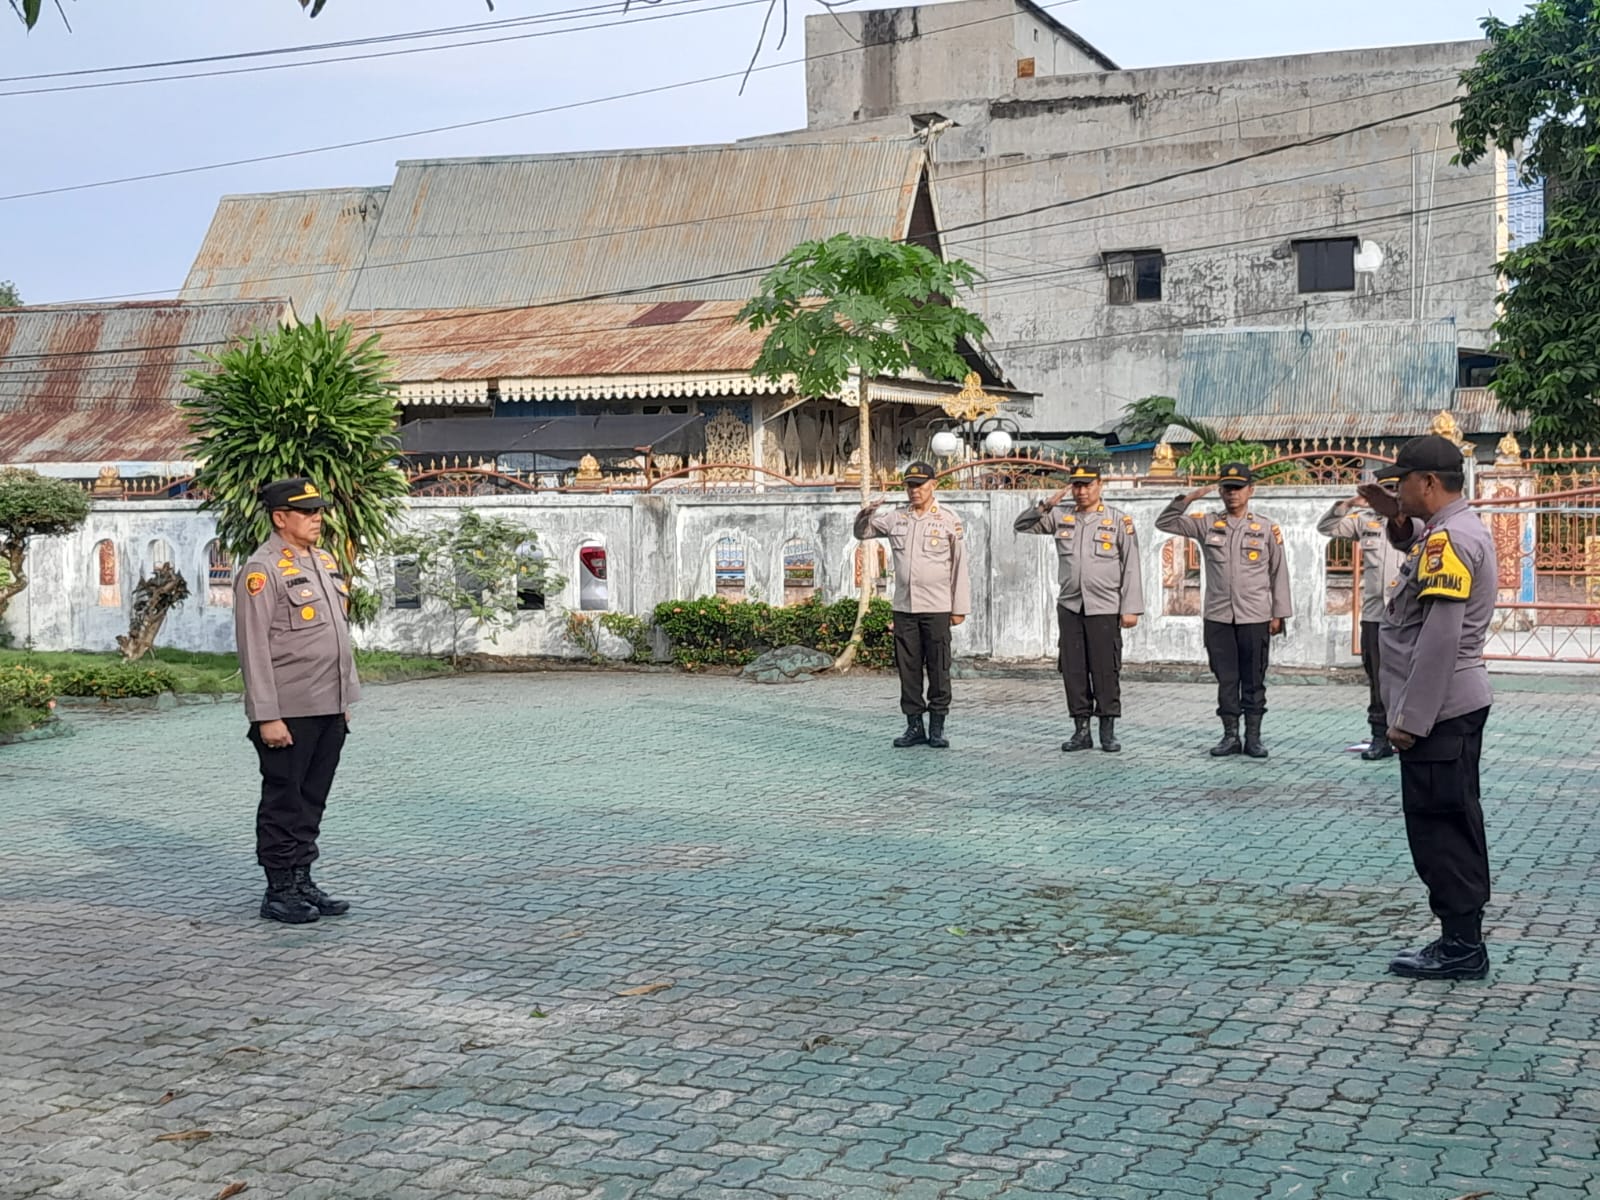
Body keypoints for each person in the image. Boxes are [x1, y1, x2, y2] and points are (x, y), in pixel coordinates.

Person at [1357, 435, 1496, 980]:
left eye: (1404, 482)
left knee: (1442, 826)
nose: (1398, 489)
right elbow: (1417, 543)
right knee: (1450, 819)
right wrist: (1396, 517)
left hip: (1439, 711)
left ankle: (1462, 947)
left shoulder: (1451, 541)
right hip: (1450, 704)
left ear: (1430, 484)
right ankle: (1459, 938)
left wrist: (1409, 720)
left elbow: (1439, 636)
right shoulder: (1446, 530)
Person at [234, 477, 361, 924]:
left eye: (319, 511)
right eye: (307, 512)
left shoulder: (323, 561)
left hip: (329, 705)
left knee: (313, 798)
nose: (317, 519)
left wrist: (344, 698)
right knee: (284, 799)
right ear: (279, 518)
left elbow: (336, 638)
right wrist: (267, 715)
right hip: (288, 711)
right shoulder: (262, 569)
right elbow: (253, 648)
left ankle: (303, 877)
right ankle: (279, 889)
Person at [1156, 462, 1292, 758]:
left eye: (1238, 488)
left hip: (1255, 616)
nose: (1232, 494)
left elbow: (1278, 572)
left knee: (1254, 678)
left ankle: (1253, 737)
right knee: (1226, 678)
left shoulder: (1267, 528)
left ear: (1250, 490)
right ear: (1220, 491)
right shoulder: (1207, 523)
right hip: (1218, 616)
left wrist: (1278, 614)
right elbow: (1165, 522)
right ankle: (1230, 735)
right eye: (1227, 488)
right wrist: (1188, 498)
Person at [1013, 464, 1143, 753]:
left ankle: (1107, 730)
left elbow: (1131, 566)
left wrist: (1130, 608)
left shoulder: (1118, 521)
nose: (1082, 491)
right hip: (1071, 605)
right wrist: (1046, 504)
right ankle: (1081, 730)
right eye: (1076, 485)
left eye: (1087, 485)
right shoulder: (1061, 516)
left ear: (1100, 485)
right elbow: (1021, 525)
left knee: (1105, 669)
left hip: (1106, 606)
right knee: (1073, 669)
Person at [854, 461, 971, 749]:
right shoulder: (896, 518)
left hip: (937, 607)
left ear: (934, 485)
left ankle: (938, 727)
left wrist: (959, 608)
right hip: (905, 608)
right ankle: (914, 726)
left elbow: (959, 566)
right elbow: (863, 532)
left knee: (939, 669)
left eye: (920, 484)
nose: (914, 490)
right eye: (910, 485)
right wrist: (867, 511)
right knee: (908, 670)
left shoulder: (947, 519)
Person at [1317, 480, 1409, 760]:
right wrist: (1347, 505)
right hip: (1374, 616)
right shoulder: (1364, 521)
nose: (1388, 495)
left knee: (1409, 677)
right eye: (1383, 491)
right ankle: (1379, 737)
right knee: (1377, 679)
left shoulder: (1414, 523)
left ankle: (1408, 733)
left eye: (1393, 490)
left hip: (1406, 616)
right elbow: (1326, 528)